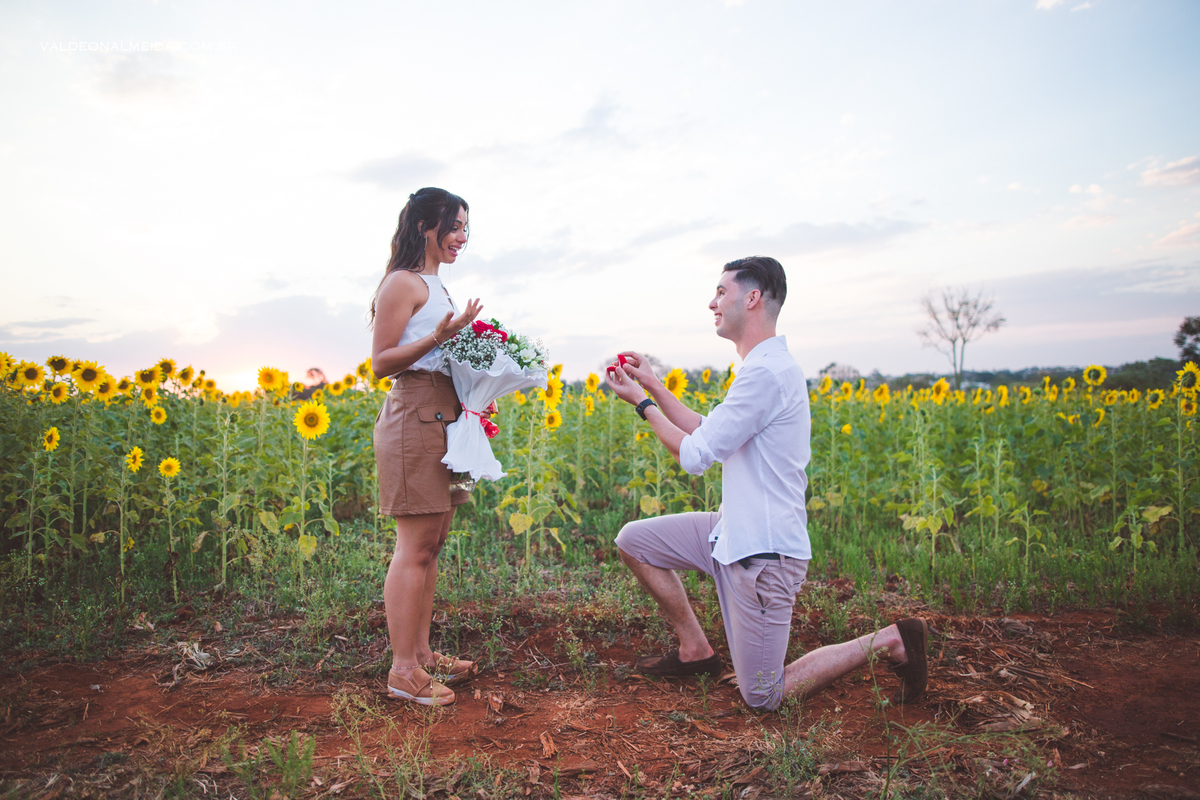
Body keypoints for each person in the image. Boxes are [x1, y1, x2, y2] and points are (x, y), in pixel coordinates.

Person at [605, 256, 927, 712]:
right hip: (732, 531)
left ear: (752, 298)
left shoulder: (766, 374)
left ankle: (891, 640)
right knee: (634, 541)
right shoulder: (762, 369)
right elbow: (707, 428)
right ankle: (696, 651)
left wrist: (641, 405)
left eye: (721, 292)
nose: (712, 302)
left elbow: (696, 456)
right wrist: (654, 386)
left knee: (764, 695)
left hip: (763, 555)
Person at [369, 187, 484, 706]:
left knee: (432, 543)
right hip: (414, 415)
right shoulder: (402, 283)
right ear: (424, 226)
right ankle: (402, 671)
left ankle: (421, 654)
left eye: (466, 228)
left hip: (446, 414)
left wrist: (480, 392)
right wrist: (441, 337)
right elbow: (381, 362)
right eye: (454, 226)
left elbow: (444, 355)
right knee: (413, 546)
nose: (462, 237)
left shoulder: (438, 287)